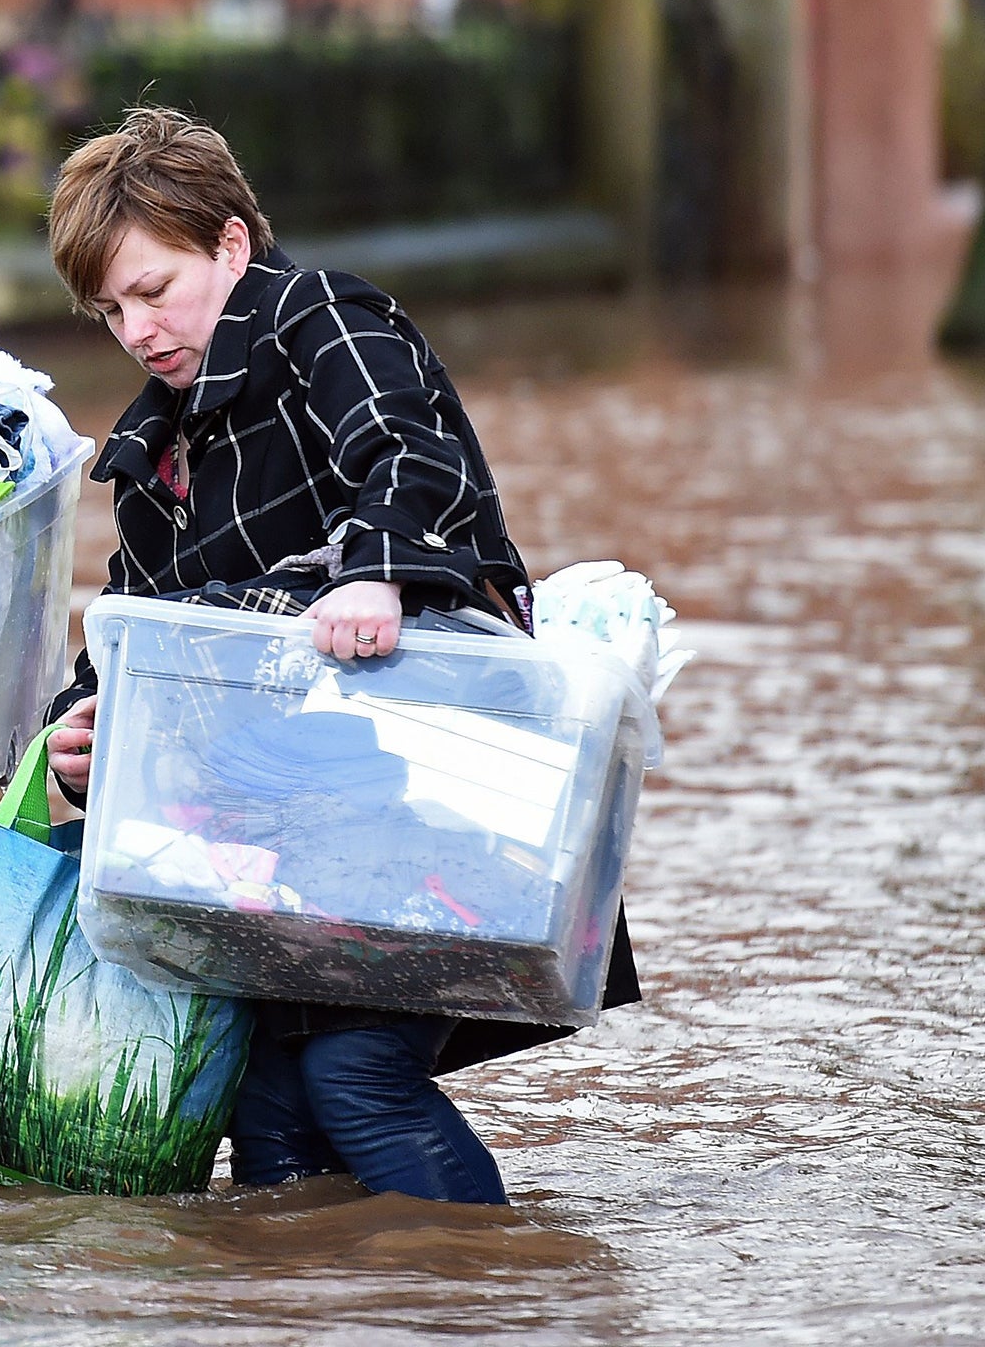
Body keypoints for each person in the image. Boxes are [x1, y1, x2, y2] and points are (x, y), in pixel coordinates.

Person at [41, 107, 639, 1206]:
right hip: (277, 845)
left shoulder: (320, 316)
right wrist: (72, 739)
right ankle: (331, 1309)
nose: (135, 329)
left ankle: (503, 1305)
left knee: (357, 1076)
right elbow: (135, 637)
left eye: (154, 288)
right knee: (266, 1103)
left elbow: (411, 451)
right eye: (110, 308)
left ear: (229, 242)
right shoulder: (151, 458)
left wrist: (375, 566)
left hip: (432, 804)